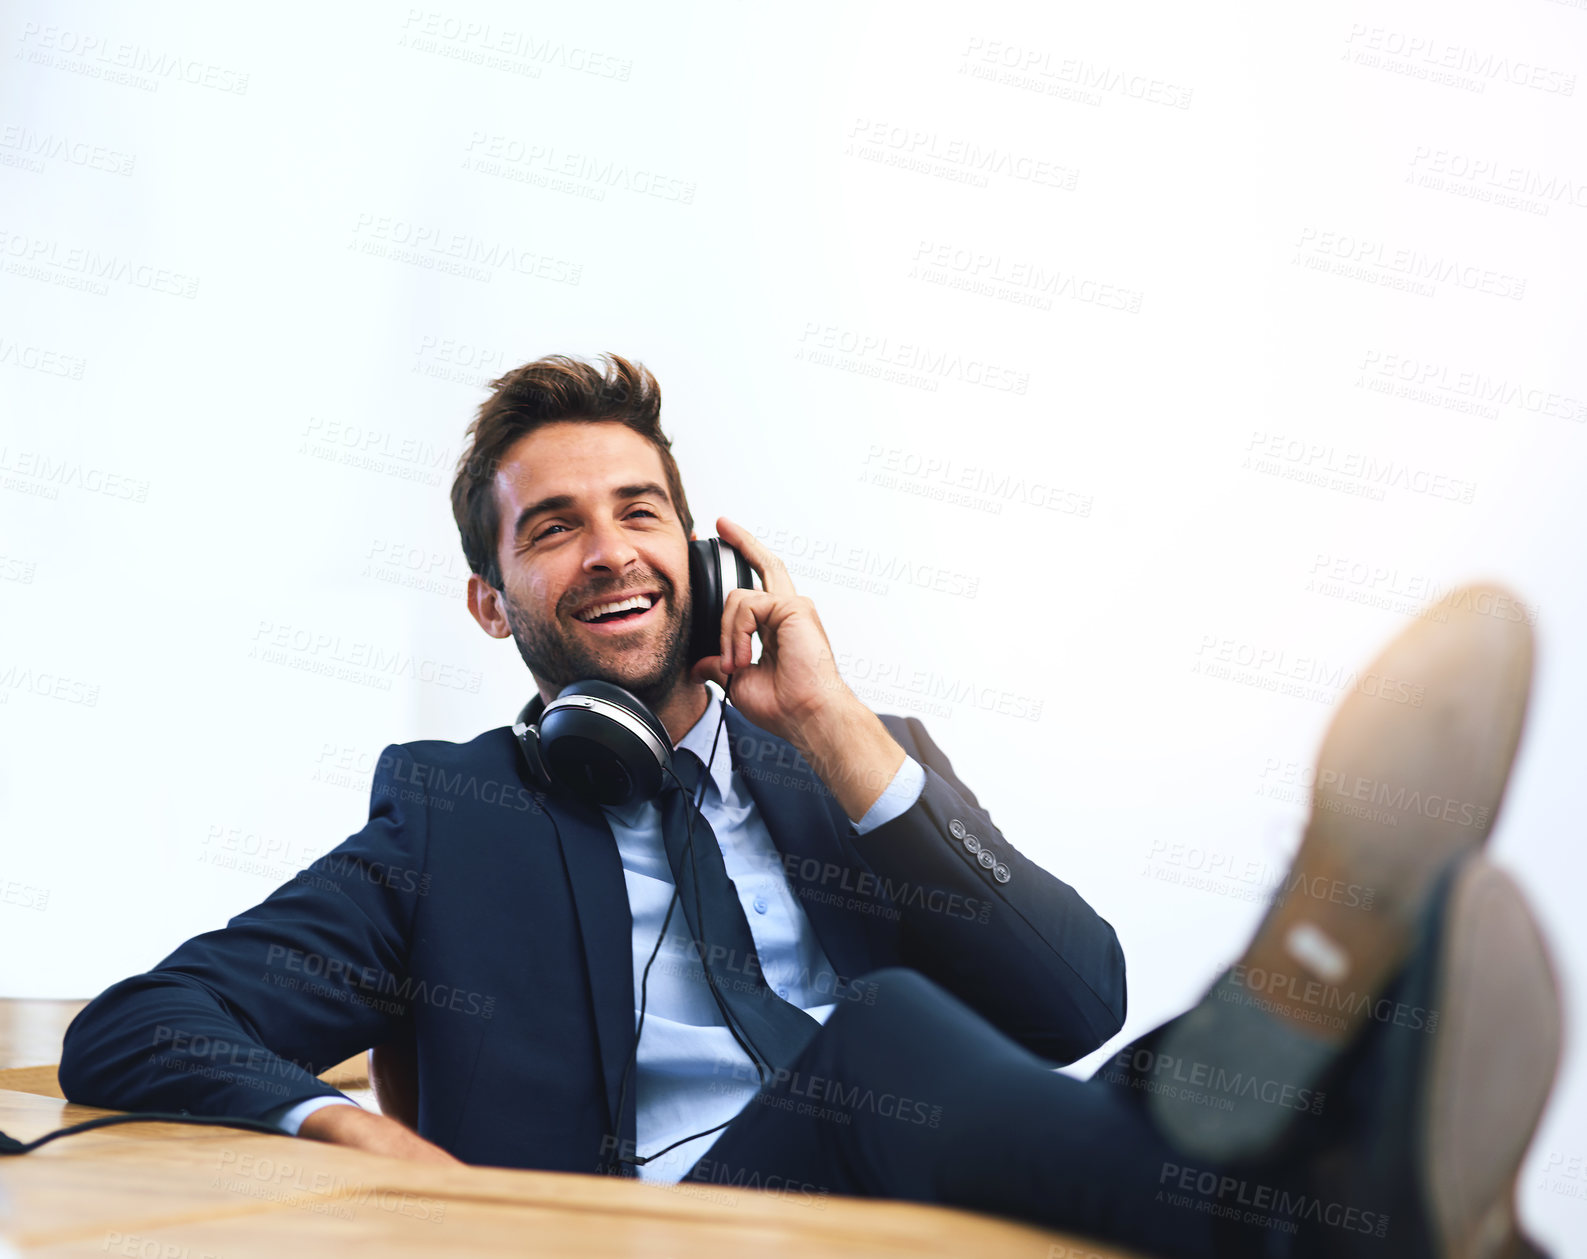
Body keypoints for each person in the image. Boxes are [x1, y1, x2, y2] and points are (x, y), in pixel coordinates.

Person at [59, 354, 1562, 1259]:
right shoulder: (453, 818)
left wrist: (838, 729)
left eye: (641, 510)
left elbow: (1067, 997)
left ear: (708, 556)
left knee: (1160, 1065)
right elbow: (134, 1027)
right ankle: (1307, 1162)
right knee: (893, 1032)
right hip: (665, 1235)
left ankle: (1359, 1157)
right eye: (553, 528)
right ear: (487, 597)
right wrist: (350, 1134)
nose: (608, 549)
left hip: (933, 1185)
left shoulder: (854, 759)